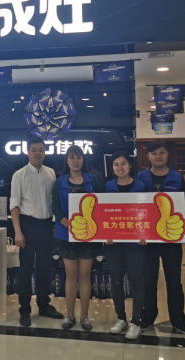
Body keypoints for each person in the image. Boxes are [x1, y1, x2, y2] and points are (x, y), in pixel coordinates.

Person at [136, 140, 185, 336]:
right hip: (148, 240)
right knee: (148, 281)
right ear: (148, 156)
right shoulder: (141, 177)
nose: (158, 156)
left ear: (167, 154)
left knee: (174, 281)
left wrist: (183, 227)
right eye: (154, 153)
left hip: (171, 240)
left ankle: (178, 320)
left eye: (161, 152)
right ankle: (147, 317)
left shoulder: (177, 177)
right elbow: (135, 206)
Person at [10, 137, 63, 327]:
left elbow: (53, 202)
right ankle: (24, 310)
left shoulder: (51, 173)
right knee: (25, 269)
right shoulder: (19, 175)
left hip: (47, 225)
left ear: (45, 152)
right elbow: (14, 206)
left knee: (45, 267)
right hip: (27, 225)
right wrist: (18, 232)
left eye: (41, 150)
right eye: (34, 150)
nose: (38, 153)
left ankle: (44, 305)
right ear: (28, 152)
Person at [52, 145, 101, 331]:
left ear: (83, 159)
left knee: (85, 275)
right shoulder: (60, 181)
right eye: (72, 157)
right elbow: (55, 206)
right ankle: (70, 315)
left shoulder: (92, 180)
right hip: (67, 234)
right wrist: (64, 220)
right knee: (71, 275)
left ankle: (85, 317)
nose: (75, 161)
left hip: (88, 234)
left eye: (78, 157)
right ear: (67, 160)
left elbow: (100, 204)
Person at [104, 151, 147, 340]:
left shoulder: (141, 186)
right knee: (116, 281)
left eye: (123, 164)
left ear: (130, 166)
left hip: (136, 243)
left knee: (137, 281)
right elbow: (104, 213)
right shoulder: (108, 187)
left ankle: (136, 321)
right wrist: (105, 234)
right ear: (112, 168)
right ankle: (121, 318)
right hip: (114, 243)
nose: (120, 168)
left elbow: (147, 212)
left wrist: (145, 234)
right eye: (116, 164)